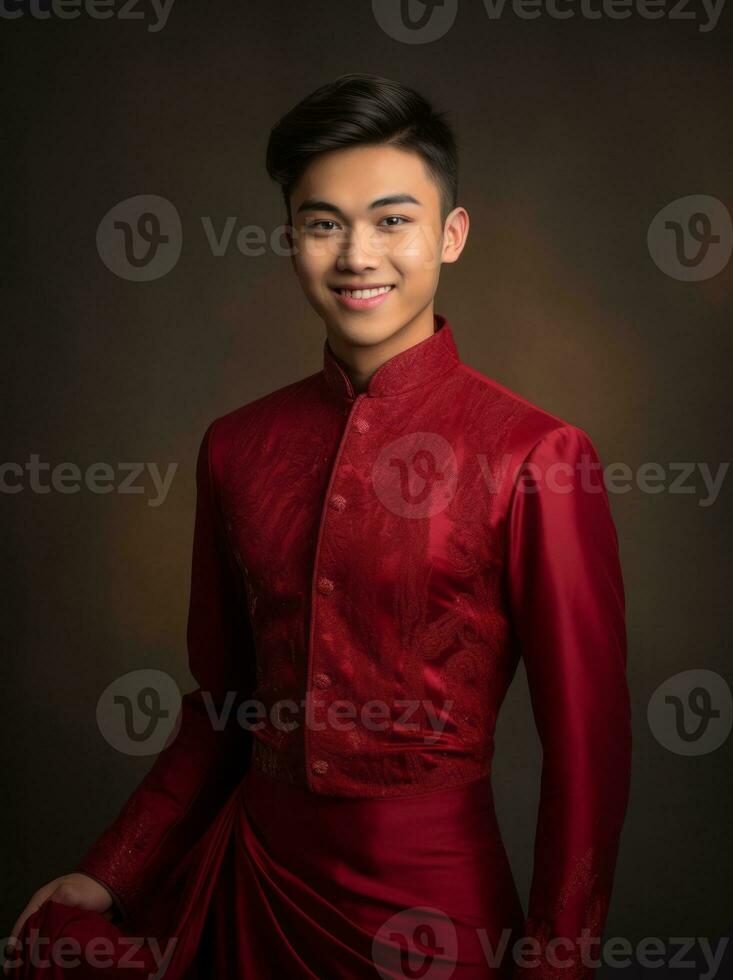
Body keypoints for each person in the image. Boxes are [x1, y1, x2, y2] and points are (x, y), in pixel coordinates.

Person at [5, 73, 631, 978]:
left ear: (450, 235)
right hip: (250, 886)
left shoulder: (535, 455)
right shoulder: (238, 447)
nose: (356, 255)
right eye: (324, 222)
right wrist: (113, 872)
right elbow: (222, 707)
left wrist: (558, 962)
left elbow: (590, 753)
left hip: (435, 912)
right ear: (290, 238)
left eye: (392, 220)